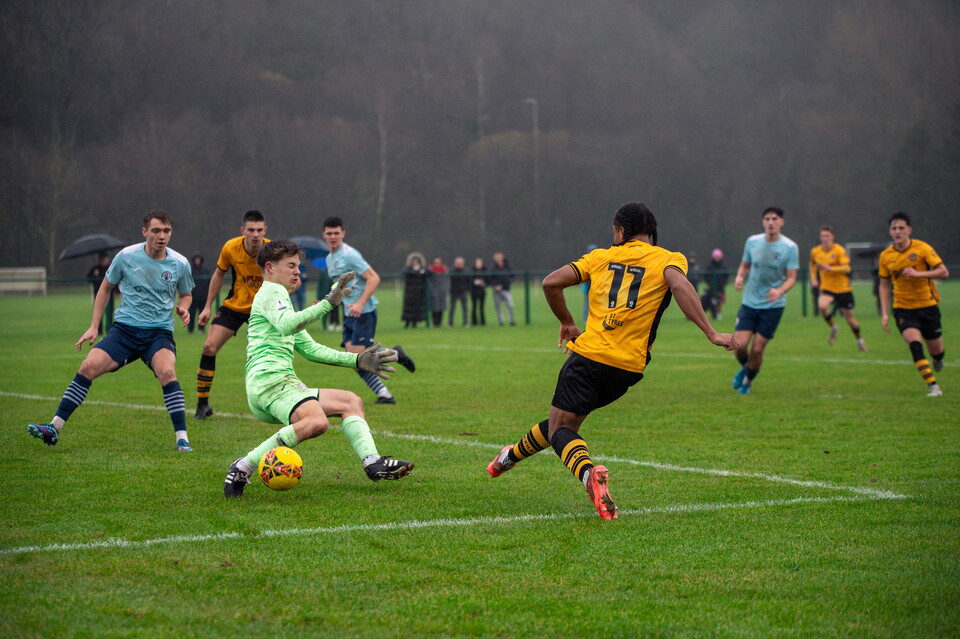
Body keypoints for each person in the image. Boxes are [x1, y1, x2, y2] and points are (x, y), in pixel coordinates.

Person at [486, 203, 737, 519]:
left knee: (561, 428)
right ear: (651, 232)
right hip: (627, 370)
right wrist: (710, 332)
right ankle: (507, 458)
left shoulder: (600, 257)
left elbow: (551, 282)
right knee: (562, 424)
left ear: (620, 230)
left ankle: (590, 475)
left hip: (590, 356)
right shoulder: (670, 259)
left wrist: (566, 321)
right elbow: (680, 285)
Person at [223, 240, 414, 498]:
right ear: (269, 267)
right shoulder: (270, 292)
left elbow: (311, 349)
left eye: (298, 267)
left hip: (278, 385)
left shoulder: (279, 303)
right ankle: (243, 466)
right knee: (316, 422)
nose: (297, 272)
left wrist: (356, 360)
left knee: (350, 401)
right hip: (270, 383)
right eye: (290, 266)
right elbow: (288, 324)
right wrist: (327, 303)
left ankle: (372, 461)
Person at [28, 210, 196, 451]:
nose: (162, 236)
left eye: (167, 231)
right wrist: (94, 326)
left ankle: (182, 439)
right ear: (144, 232)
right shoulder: (126, 256)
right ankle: (54, 427)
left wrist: (184, 308)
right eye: (156, 230)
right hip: (125, 331)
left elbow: (187, 294)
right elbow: (105, 288)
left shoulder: (179, 263)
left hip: (158, 333)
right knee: (87, 366)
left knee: (167, 372)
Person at [323, 216, 416, 404]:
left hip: (363, 312)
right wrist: (328, 298)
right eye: (329, 233)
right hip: (349, 313)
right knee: (355, 362)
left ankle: (395, 358)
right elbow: (339, 285)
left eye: (336, 233)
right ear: (324, 234)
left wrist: (360, 303)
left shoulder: (350, 255)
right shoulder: (329, 258)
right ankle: (385, 393)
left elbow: (374, 278)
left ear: (343, 234)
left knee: (358, 359)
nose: (333, 236)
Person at [194, 210, 270, 420]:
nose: (255, 234)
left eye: (259, 230)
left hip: (263, 310)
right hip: (235, 305)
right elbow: (219, 274)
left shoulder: (273, 250)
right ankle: (202, 405)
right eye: (251, 230)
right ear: (242, 230)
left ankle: (274, 404)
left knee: (270, 356)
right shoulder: (230, 247)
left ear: (265, 230)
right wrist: (208, 306)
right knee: (209, 347)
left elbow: (291, 279)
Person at [878, 212, 949, 397]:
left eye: (901, 228)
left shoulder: (922, 249)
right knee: (915, 344)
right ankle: (933, 386)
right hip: (903, 308)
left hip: (928, 306)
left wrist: (918, 274)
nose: (897, 231)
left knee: (937, 351)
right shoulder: (886, 256)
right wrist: (885, 313)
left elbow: (943, 272)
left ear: (909, 230)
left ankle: (937, 358)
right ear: (890, 232)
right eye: (894, 228)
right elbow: (884, 285)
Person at [731, 207, 799, 395]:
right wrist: (739, 277)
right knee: (740, 345)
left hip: (773, 305)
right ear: (763, 222)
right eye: (767, 219)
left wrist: (780, 291)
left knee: (758, 349)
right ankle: (748, 368)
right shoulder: (752, 242)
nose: (771, 222)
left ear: (781, 222)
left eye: (774, 219)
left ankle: (747, 381)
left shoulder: (790, 247)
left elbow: (792, 277)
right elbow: (745, 265)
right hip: (749, 303)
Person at [809, 226, 866, 351]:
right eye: (822, 236)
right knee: (822, 306)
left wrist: (831, 268)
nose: (824, 238)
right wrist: (814, 279)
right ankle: (833, 327)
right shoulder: (815, 251)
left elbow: (847, 268)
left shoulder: (839, 250)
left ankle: (859, 340)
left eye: (827, 236)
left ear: (832, 237)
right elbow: (813, 265)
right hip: (827, 287)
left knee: (850, 319)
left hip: (843, 289)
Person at [86, 252, 112, 335]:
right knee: (98, 312)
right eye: (102, 259)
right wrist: (94, 275)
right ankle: (98, 330)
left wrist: (117, 292)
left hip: (110, 294)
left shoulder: (110, 268)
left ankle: (109, 329)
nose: (103, 260)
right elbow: (88, 278)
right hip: (97, 293)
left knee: (110, 312)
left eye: (105, 258)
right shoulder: (95, 269)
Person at [401, 253, 427, 328]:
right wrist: (418, 273)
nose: (415, 263)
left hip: (419, 292)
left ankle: (415, 323)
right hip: (409, 292)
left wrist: (421, 271)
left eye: (416, 261)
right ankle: (407, 322)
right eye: (413, 261)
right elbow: (405, 272)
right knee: (408, 308)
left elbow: (428, 272)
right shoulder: (408, 269)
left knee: (417, 308)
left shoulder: (422, 268)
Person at [701, 248, 728, 321]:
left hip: (720, 288)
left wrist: (722, 283)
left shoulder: (723, 267)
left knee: (719, 301)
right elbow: (706, 277)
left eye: (718, 256)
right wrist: (711, 283)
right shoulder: (710, 266)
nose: (717, 258)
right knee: (711, 301)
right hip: (712, 288)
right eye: (716, 256)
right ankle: (712, 314)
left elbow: (726, 277)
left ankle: (718, 314)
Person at [490, 251, 516, 326]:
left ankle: (511, 321)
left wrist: (507, 283)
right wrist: (494, 286)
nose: (498, 258)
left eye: (500, 257)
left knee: (510, 305)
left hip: (506, 290)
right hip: (496, 291)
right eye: (497, 257)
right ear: (494, 258)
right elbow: (491, 279)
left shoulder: (507, 267)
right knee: (498, 307)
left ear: (502, 257)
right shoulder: (493, 268)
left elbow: (511, 276)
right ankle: (501, 322)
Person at [188, 254, 210, 334]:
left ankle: (201, 329)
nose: (197, 261)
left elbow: (209, 283)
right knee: (192, 314)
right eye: (196, 259)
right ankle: (190, 330)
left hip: (203, 297)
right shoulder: (190, 270)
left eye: (199, 259)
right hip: (193, 297)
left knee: (202, 314)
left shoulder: (205, 270)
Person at [448, 256, 471, 327]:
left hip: (463, 292)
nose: (459, 264)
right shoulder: (451, 271)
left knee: (465, 308)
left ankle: (465, 323)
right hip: (453, 292)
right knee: (452, 308)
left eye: (460, 263)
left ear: (463, 264)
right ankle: (450, 323)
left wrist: (468, 290)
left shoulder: (466, 272)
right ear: (455, 263)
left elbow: (469, 282)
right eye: (458, 263)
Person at [428, 256, 448, 327]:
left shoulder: (444, 271)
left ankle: (439, 323)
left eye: (438, 263)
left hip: (442, 292)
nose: (437, 264)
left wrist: (445, 290)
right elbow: (429, 282)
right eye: (435, 263)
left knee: (441, 307)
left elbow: (446, 282)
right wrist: (431, 290)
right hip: (433, 292)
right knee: (434, 308)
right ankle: (434, 323)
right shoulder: (430, 271)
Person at [471, 257, 488, 326]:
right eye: (477, 263)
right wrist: (476, 282)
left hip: (482, 291)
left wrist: (483, 283)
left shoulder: (485, 271)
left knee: (481, 307)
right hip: (474, 291)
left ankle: (482, 322)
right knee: (474, 307)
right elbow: (470, 280)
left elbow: (488, 280)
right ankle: (474, 322)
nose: (479, 264)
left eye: (480, 263)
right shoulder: (472, 271)